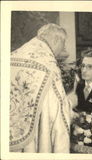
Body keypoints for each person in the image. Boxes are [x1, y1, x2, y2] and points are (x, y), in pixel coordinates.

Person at [10, 23, 71, 152]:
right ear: (56, 40)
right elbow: (57, 109)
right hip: (34, 139)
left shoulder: (14, 55)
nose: (63, 48)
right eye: (63, 43)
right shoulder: (48, 65)